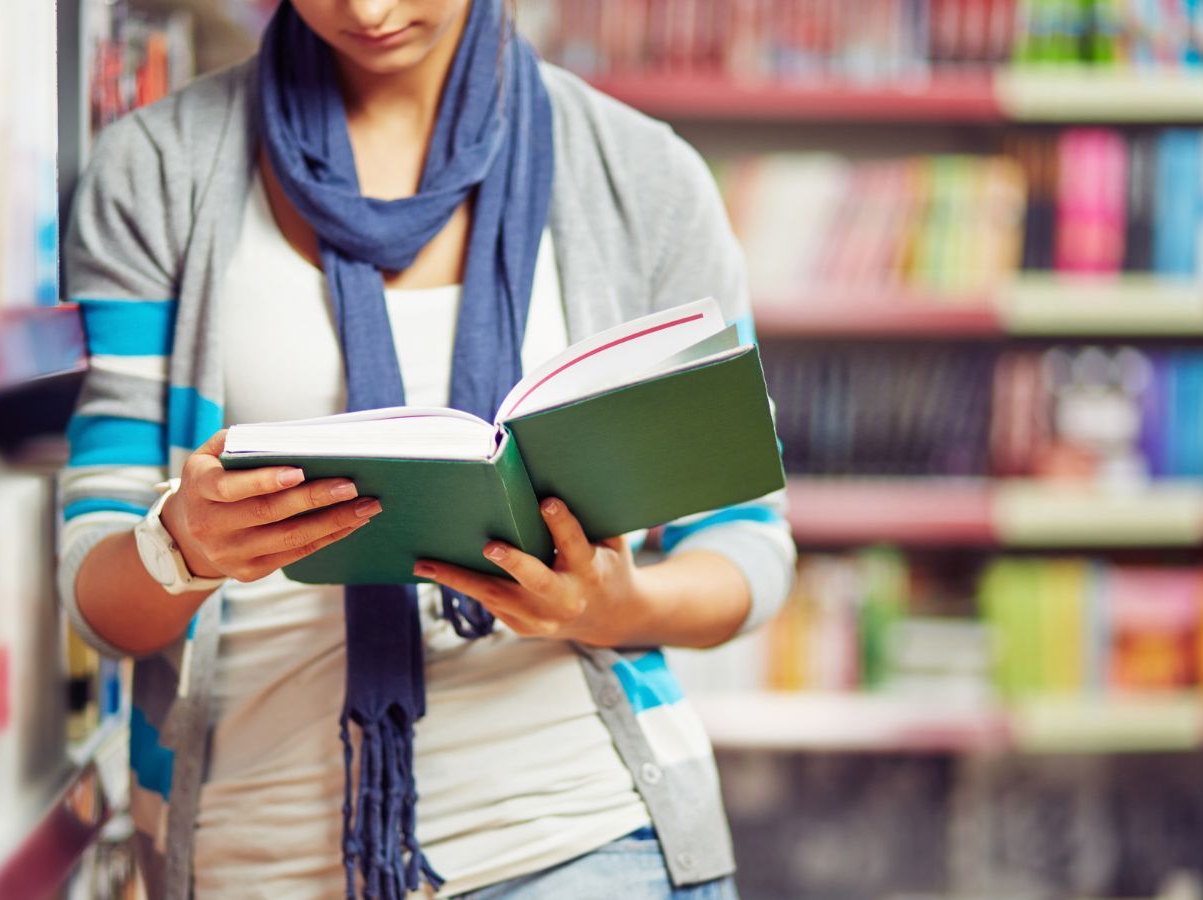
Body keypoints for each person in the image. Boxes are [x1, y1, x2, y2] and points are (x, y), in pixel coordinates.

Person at [58, 0, 795, 896]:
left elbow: (747, 545)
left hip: (581, 836)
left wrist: (610, 607)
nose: (368, 10)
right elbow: (96, 597)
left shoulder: (643, 176)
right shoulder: (157, 172)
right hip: (254, 857)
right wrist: (182, 547)